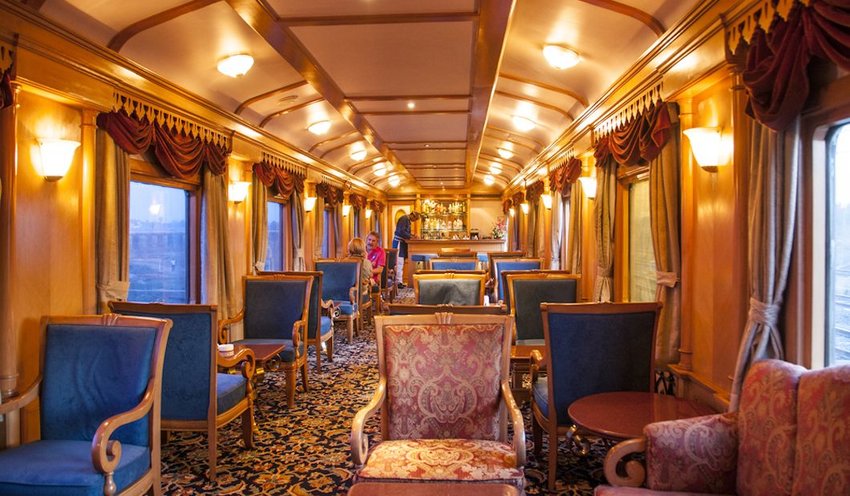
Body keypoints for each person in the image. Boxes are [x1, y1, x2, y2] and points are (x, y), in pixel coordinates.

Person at [391, 211, 420, 288]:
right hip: (399, 243)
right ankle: (398, 282)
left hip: (402, 244)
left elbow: (405, 232)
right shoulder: (404, 219)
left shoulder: (407, 220)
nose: (414, 221)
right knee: (399, 262)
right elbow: (402, 232)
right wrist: (411, 237)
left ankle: (400, 281)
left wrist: (412, 235)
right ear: (412, 215)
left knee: (401, 263)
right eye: (415, 219)